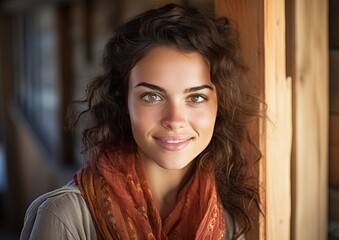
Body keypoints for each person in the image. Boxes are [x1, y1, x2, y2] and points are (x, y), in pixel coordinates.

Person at [21, 3, 262, 240]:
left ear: (219, 106)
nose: (174, 119)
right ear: (123, 101)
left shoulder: (222, 222)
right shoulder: (64, 216)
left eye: (196, 97)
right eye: (152, 96)